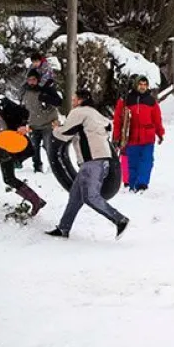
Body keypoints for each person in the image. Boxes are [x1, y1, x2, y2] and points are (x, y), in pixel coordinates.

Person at [45, 89, 129, 239]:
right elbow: (108, 126)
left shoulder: (79, 112)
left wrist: (56, 128)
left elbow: (65, 134)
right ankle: (63, 228)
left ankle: (120, 219)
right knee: (75, 197)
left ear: (80, 100)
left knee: (90, 197)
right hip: (103, 159)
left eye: (74, 99)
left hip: (91, 161)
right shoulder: (95, 113)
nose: (72, 101)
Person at [113, 76, 165, 192]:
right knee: (133, 162)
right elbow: (118, 120)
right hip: (131, 136)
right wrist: (117, 136)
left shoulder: (151, 101)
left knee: (147, 161)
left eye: (145, 85)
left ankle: (142, 184)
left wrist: (160, 133)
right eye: (140, 84)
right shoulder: (126, 100)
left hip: (148, 137)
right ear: (136, 85)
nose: (142, 87)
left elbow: (157, 119)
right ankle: (133, 185)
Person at [22, 69, 62, 173]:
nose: (31, 82)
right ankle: (37, 168)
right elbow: (23, 109)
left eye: (34, 79)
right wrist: (24, 122)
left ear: (38, 80)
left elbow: (58, 102)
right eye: (29, 80)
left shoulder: (45, 90)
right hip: (33, 125)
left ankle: (55, 167)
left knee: (49, 147)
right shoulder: (25, 92)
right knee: (34, 149)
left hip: (48, 125)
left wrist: (46, 98)